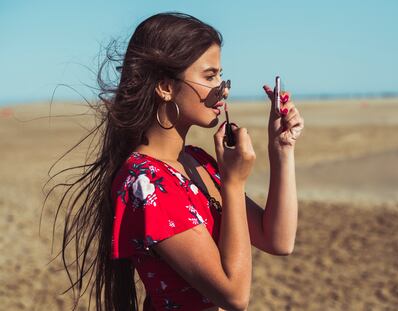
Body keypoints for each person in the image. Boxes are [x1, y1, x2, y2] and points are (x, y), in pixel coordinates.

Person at [52, 12, 304, 311]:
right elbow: (234, 295)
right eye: (210, 77)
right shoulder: (144, 183)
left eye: (221, 75)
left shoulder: (197, 161)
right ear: (166, 87)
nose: (223, 88)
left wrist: (281, 149)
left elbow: (277, 240)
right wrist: (234, 185)